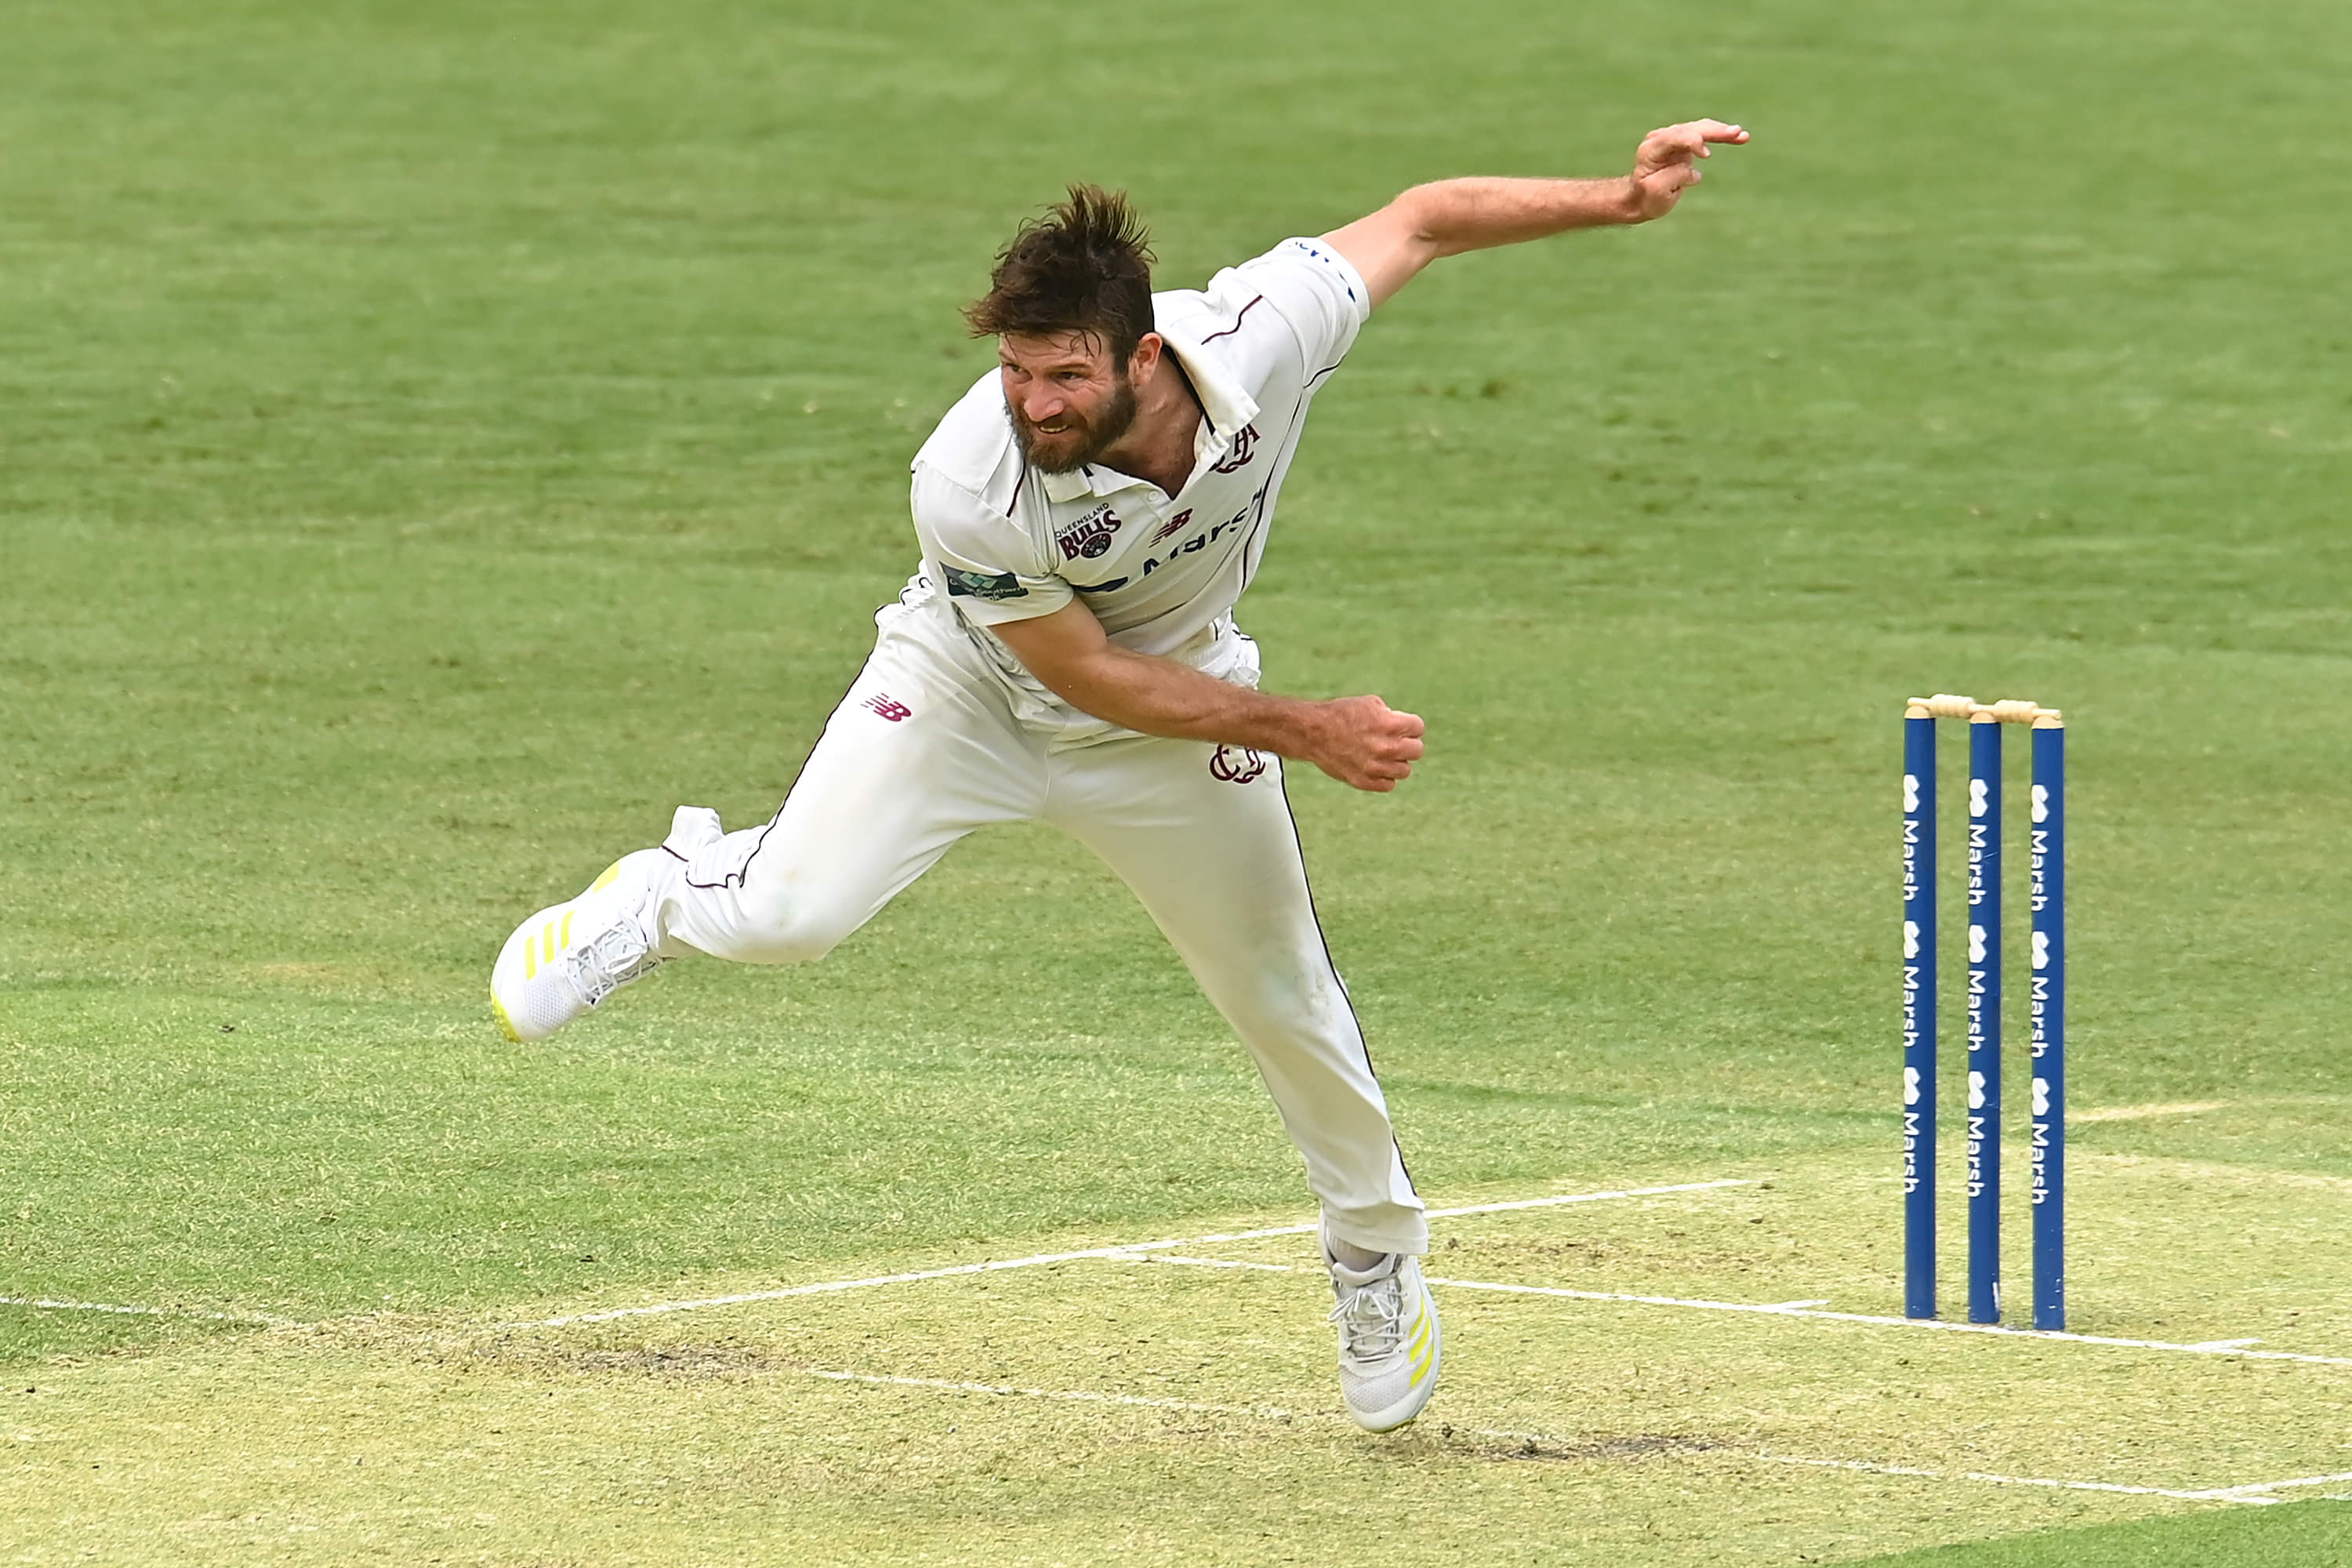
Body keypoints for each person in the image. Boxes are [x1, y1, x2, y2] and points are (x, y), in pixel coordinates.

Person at [490, 119, 1748, 1432]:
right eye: (1016, 371)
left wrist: (1619, 198)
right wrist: (1303, 726)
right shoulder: (968, 482)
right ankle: (673, 886)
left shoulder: (1261, 329)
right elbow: (1084, 673)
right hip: (975, 690)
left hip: (1179, 691)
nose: (1031, 401)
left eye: (1062, 374)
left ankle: (1374, 1258)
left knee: (1281, 996)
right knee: (790, 920)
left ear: (1146, 354)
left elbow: (1422, 218)